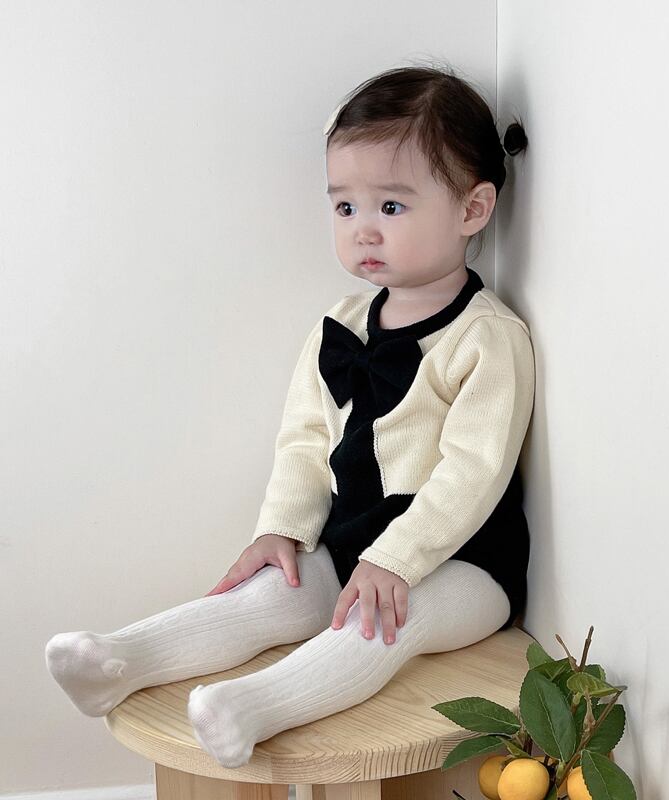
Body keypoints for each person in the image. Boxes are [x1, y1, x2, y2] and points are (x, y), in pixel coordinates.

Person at [44, 62, 536, 770]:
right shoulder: (341, 324)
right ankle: (121, 659)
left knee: (383, 622)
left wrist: (397, 560)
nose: (364, 231)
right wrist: (281, 528)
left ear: (472, 209)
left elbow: (474, 471)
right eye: (345, 208)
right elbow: (305, 443)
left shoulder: (487, 337)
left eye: (390, 207)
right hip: (354, 539)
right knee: (273, 593)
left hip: (464, 561)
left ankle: (252, 706)